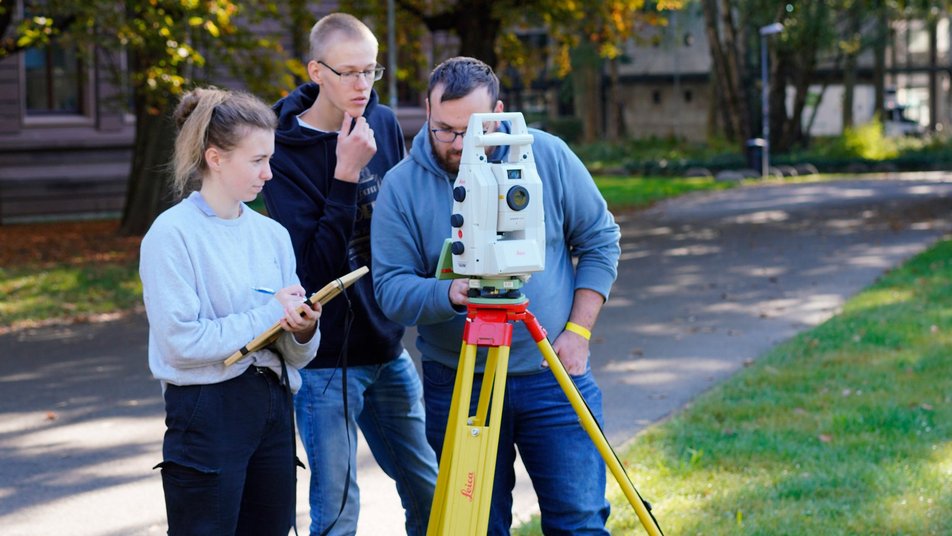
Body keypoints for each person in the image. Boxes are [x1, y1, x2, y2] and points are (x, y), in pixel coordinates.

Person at [371, 57, 622, 534]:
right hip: (461, 382)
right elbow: (391, 290)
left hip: (553, 371)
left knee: (580, 522)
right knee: (474, 527)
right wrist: (453, 292)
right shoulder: (402, 187)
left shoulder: (547, 156)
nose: (459, 144)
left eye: (472, 130)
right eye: (445, 130)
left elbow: (600, 240)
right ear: (427, 109)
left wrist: (578, 333)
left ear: (500, 112)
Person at [262, 12, 437, 536]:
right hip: (325, 365)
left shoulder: (379, 122)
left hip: (386, 346)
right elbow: (312, 268)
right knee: (337, 515)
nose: (362, 85)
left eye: (371, 71)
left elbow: (402, 225)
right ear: (317, 71)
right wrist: (344, 174)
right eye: (349, 73)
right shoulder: (280, 150)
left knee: (430, 490)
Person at [139, 87, 322, 535]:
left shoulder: (272, 234)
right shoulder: (171, 235)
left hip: (274, 406)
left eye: (270, 159)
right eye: (257, 160)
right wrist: (270, 313)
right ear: (215, 158)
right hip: (207, 411)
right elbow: (181, 342)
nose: (269, 174)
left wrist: (301, 330)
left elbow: (296, 352)